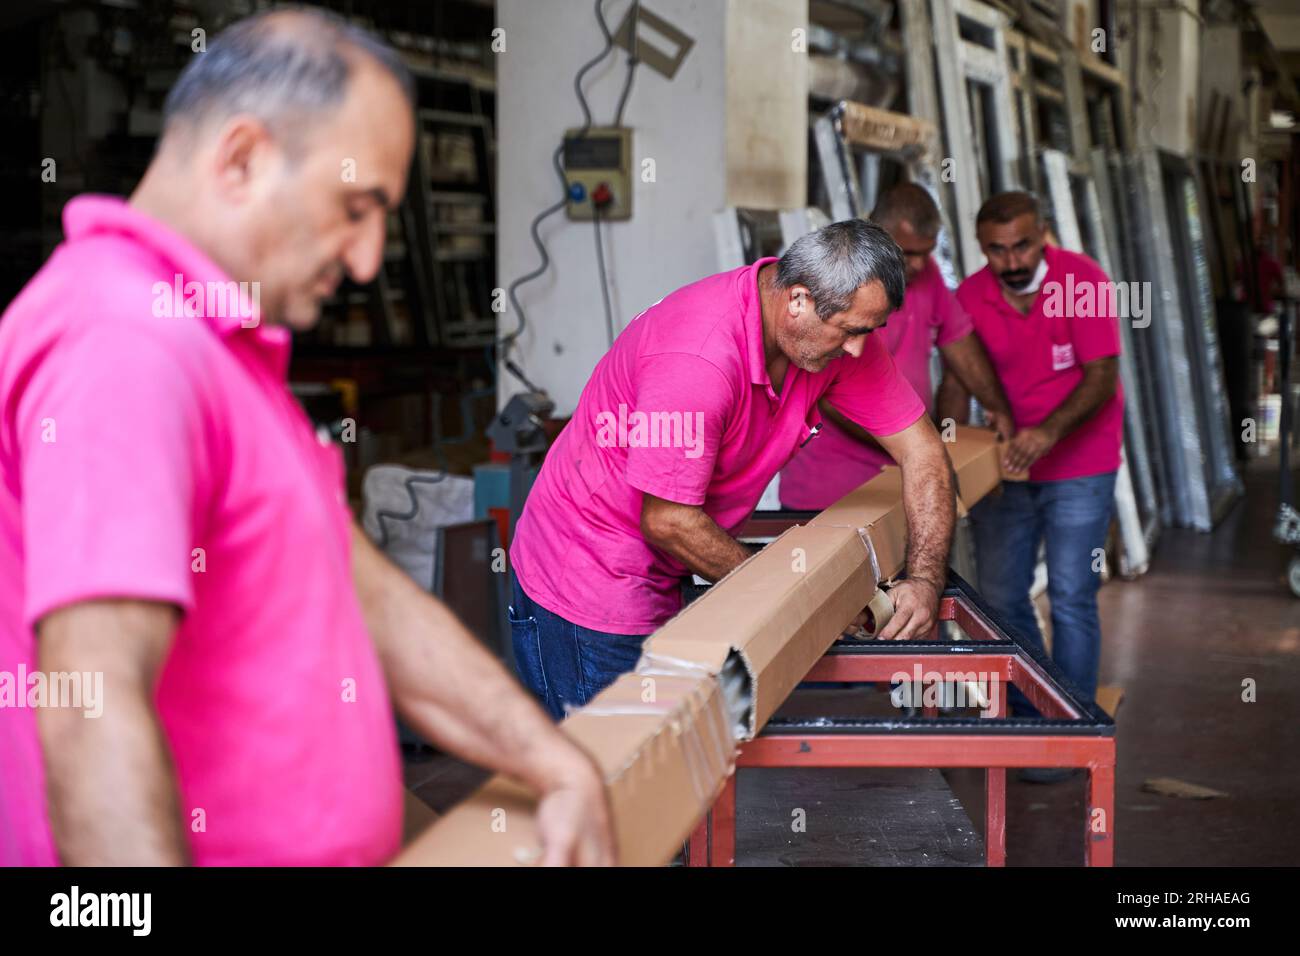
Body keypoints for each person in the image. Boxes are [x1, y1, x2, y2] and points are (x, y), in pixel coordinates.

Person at [0, 9, 612, 866]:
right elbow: (91, 701)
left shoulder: (215, 347)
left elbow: (377, 601)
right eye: (353, 207)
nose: (366, 261)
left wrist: (555, 762)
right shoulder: (126, 344)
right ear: (242, 158)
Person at [509, 219, 957, 721]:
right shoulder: (697, 358)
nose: (859, 348)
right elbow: (668, 520)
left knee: (676, 769)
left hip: (670, 564)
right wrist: (800, 599)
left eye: (869, 331)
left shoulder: (838, 339)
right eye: (851, 331)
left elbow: (923, 453)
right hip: (589, 580)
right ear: (799, 301)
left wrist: (924, 579)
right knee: (619, 779)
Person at [955, 192, 1124, 760]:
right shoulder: (969, 297)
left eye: (1023, 244)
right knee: (1002, 597)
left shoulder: (1086, 281)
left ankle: (1072, 730)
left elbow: (1101, 378)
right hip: (1005, 469)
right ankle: (1034, 717)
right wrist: (950, 451)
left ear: (1044, 234)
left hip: (1082, 464)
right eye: (996, 250)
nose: (1012, 260)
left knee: (1073, 595)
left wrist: (1047, 434)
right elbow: (958, 380)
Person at [779, 183, 1013, 509]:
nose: (919, 264)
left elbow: (960, 346)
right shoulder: (838, 278)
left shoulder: (925, 274)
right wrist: (910, 443)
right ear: (878, 235)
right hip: (830, 489)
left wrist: (996, 407)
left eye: (926, 252)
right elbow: (826, 393)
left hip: (903, 474)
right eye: (909, 253)